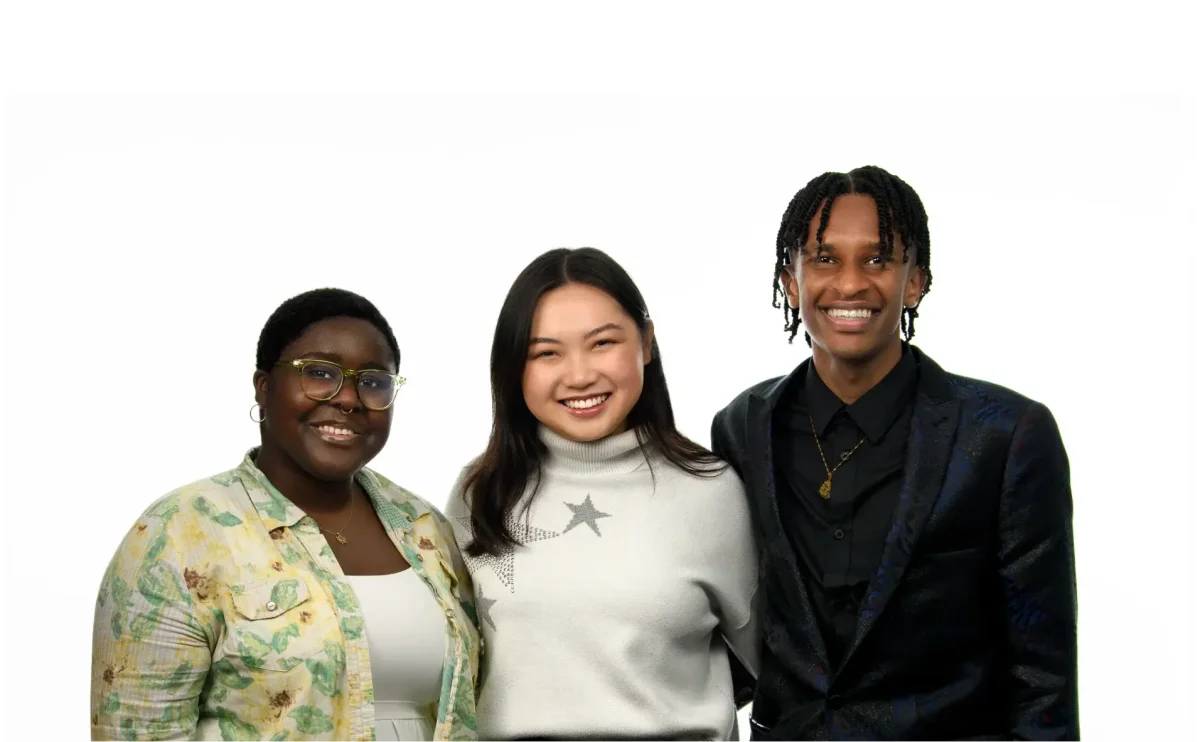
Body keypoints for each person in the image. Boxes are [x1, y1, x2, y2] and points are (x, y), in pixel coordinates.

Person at [711, 166, 1079, 740]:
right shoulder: (742, 427)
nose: (851, 284)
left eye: (878, 259)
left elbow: (1044, 678)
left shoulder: (1006, 436)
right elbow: (739, 626)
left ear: (916, 282)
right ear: (791, 280)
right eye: (825, 259)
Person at [90, 288, 480, 742]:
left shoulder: (424, 527)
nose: (349, 398)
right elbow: (136, 733)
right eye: (319, 373)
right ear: (263, 385)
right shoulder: (179, 532)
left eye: (373, 381)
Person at [446, 247, 759, 741]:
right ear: (513, 367)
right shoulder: (480, 492)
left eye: (602, 343)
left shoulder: (710, 490)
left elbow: (780, 669)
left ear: (646, 343)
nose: (579, 375)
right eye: (546, 352)